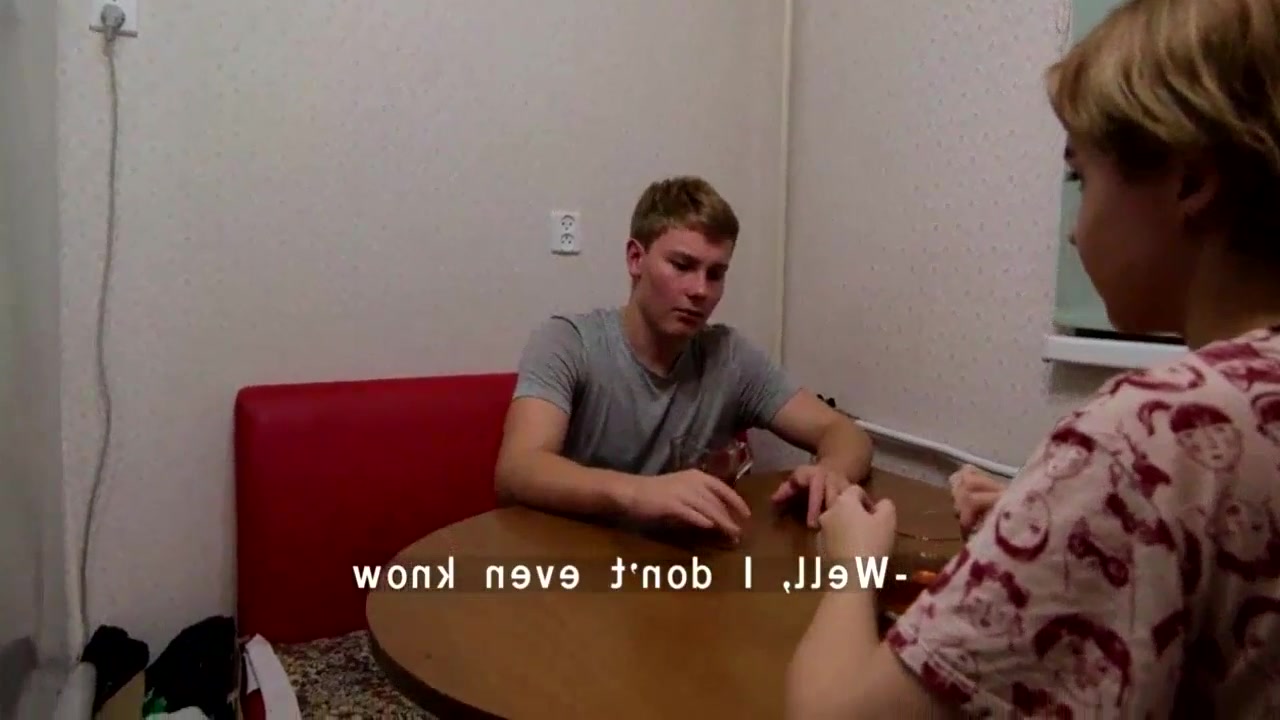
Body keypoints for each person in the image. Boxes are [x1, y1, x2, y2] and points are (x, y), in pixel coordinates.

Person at [785, 0, 1280, 716]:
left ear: (1190, 182)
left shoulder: (1146, 435)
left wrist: (854, 562)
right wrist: (1062, 518)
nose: (1074, 233)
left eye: (1081, 178)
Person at [495, 175, 873, 542]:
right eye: (682, 266)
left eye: (716, 274)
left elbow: (844, 432)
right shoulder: (568, 342)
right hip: (578, 564)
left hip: (685, 565)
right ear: (635, 259)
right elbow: (518, 468)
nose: (700, 290)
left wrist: (831, 472)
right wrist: (638, 492)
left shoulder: (728, 355)